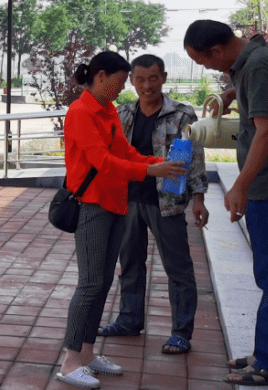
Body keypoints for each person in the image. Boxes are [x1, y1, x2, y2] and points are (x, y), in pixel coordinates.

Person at [184, 20, 268, 387]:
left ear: (217, 51)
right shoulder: (259, 55)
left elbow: (266, 130)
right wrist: (232, 95)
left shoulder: (257, 66)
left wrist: (239, 185)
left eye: (205, 62)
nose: (209, 69)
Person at [58, 51, 187, 389]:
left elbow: (124, 153)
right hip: (92, 205)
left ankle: (86, 353)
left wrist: (158, 162)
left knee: (102, 282)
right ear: (100, 77)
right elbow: (102, 161)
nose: (122, 89)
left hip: (116, 203)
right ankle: (70, 360)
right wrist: (150, 170)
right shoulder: (81, 111)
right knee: (89, 284)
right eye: (119, 82)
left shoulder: (109, 111)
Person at [97, 54, 209, 355]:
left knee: (179, 268)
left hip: (167, 201)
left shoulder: (182, 115)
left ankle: (181, 333)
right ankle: (129, 320)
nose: (147, 86)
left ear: (164, 77)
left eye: (154, 78)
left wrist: (198, 199)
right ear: (131, 80)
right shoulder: (122, 113)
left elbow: (194, 160)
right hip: (127, 200)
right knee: (129, 263)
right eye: (140, 79)